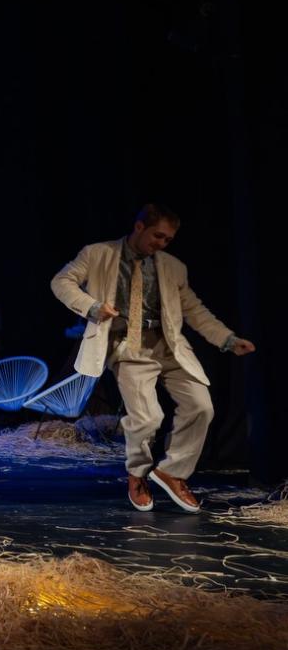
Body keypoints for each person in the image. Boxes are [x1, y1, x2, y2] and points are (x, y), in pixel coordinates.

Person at [50, 204, 256, 513]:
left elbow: (194, 309)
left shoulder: (173, 267)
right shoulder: (97, 253)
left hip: (167, 345)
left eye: (168, 239)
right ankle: (137, 473)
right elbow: (61, 281)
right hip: (127, 346)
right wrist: (92, 306)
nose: (161, 243)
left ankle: (172, 472)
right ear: (139, 227)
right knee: (147, 418)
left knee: (201, 406)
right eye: (157, 236)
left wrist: (227, 339)